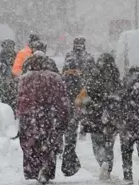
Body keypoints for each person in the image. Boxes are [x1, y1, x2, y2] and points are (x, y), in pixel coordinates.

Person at [16, 54, 69, 184]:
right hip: (48, 116)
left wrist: (20, 115)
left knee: (30, 145)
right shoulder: (55, 78)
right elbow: (62, 101)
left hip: (29, 117)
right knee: (49, 144)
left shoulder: (24, 79)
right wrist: (63, 118)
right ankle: (46, 169)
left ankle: (34, 170)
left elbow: (20, 100)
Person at [81, 53, 123, 180]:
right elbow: (121, 97)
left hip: (96, 115)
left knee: (98, 143)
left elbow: (85, 97)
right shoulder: (116, 79)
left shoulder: (93, 79)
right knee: (109, 143)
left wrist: (87, 109)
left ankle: (102, 161)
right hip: (112, 116)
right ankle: (108, 166)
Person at [61, 36, 95, 176]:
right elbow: (93, 72)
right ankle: (83, 126)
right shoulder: (88, 57)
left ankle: (77, 126)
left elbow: (64, 72)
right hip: (82, 88)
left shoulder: (70, 56)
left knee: (76, 111)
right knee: (83, 107)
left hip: (73, 89)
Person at [0, 39, 17, 110]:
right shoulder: (15, 55)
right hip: (11, 80)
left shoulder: (1, 55)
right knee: (11, 98)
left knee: (5, 98)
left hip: (5, 80)